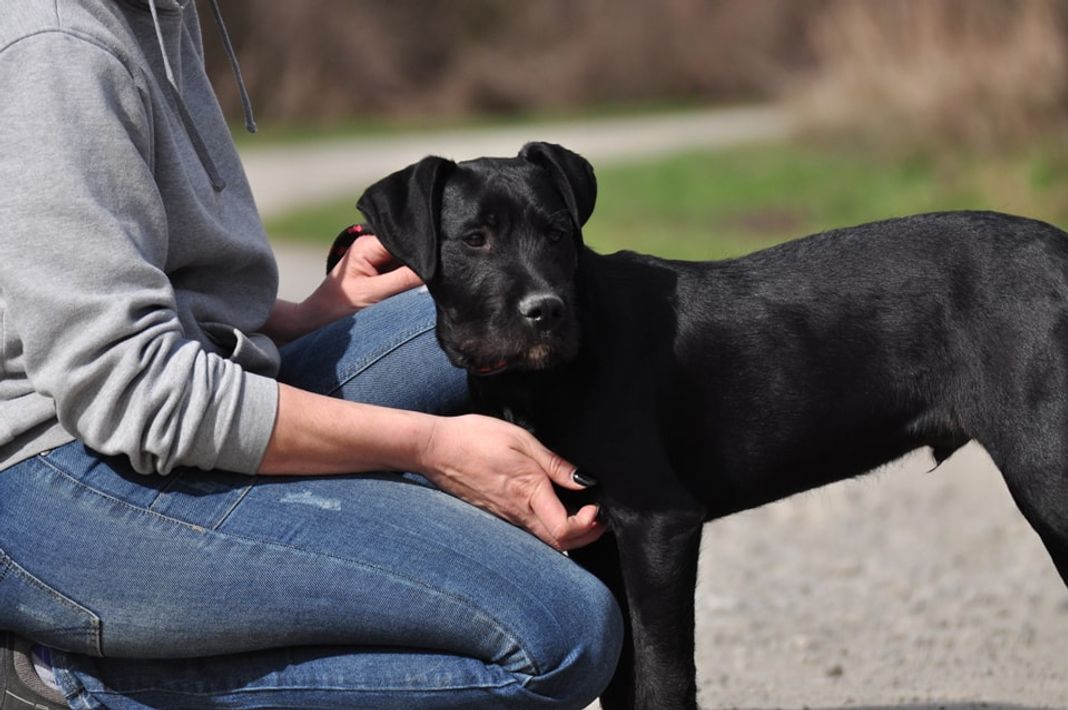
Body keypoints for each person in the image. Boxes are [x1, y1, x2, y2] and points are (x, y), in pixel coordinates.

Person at [0, 1, 623, 708]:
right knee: (562, 635)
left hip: (176, 399)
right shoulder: (55, 48)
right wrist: (431, 448)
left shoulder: (161, 13)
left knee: (511, 310)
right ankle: (60, 676)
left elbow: (120, 282)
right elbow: (133, 388)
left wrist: (301, 319)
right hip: (50, 477)